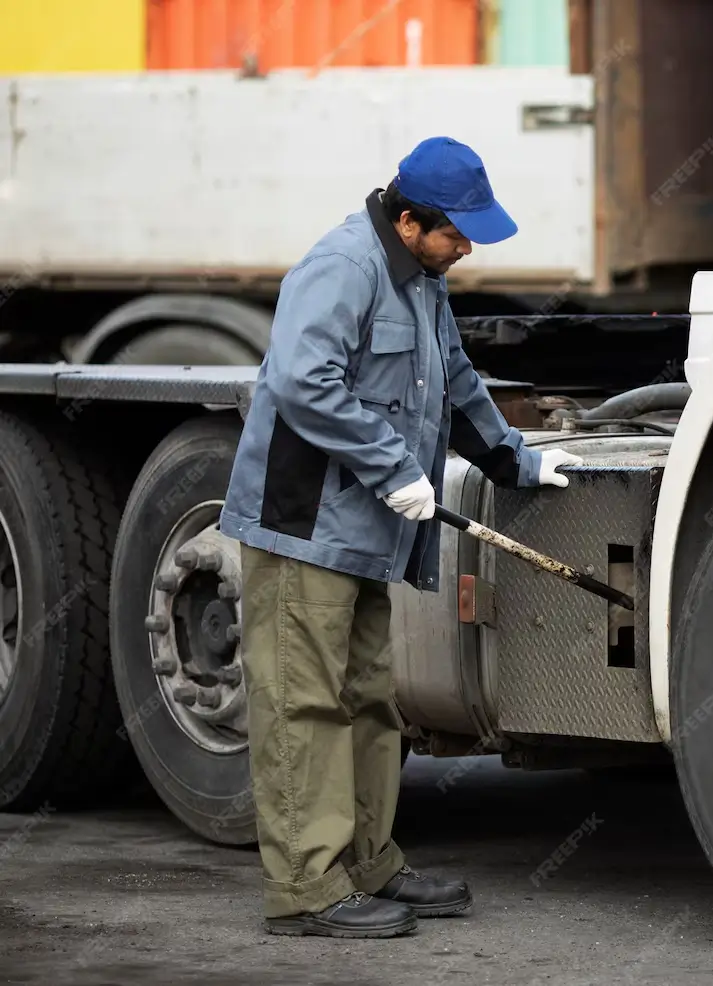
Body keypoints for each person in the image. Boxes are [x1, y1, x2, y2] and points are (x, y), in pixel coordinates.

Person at [218, 136, 582, 938]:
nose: (467, 247)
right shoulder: (344, 265)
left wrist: (516, 463)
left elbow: (454, 378)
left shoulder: (422, 279)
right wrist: (391, 467)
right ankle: (307, 891)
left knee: (369, 700)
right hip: (302, 528)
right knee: (304, 706)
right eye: (456, 233)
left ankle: (366, 862)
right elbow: (301, 381)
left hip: (364, 531)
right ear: (411, 222)